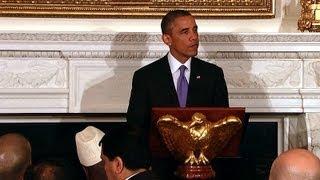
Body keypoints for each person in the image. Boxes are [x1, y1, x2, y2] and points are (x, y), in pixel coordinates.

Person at [126, 9, 229, 179]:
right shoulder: (145, 77)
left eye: (195, 30)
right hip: (158, 171)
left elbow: (222, 127)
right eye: (185, 31)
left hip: (202, 170)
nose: (194, 37)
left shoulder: (213, 75)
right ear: (167, 39)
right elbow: (135, 127)